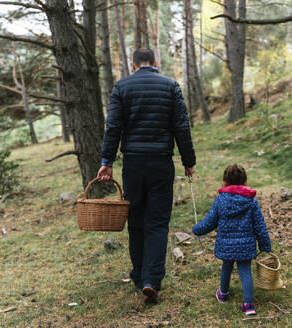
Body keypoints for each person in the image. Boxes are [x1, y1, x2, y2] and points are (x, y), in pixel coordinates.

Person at [97, 48, 195, 304]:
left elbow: (113, 126)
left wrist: (107, 161)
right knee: (158, 222)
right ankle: (151, 280)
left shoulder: (121, 87)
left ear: (133, 64)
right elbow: (181, 126)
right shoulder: (171, 85)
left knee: (136, 220)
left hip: (133, 164)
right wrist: (188, 161)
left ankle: (139, 276)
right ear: (155, 62)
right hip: (161, 164)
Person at [192, 164, 271, 316]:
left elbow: (209, 222)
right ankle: (248, 305)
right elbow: (260, 226)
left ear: (224, 181)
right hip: (245, 245)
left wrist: (197, 229)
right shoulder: (251, 202)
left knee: (226, 267)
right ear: (245, 181)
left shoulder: (221, 200)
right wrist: (265, 245)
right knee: (245, 272)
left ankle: (223, 294)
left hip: (226, 245)